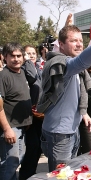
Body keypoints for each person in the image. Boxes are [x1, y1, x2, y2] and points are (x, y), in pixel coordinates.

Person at [37, 16, 91, 172]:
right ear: (61, 45)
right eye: (73, 41)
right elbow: (84, 60)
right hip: (60, 134)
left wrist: (82, 113)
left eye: (80, 40)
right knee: (60, 174)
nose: (79, 44)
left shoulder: (72, 63)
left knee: (69, 172)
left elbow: (84, 55)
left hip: (72, 130)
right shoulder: (61, 63)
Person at [0, 43, 33, 180]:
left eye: (19, 56)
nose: (16, 59)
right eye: (12, 56)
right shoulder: (3, 76)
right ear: (4, 57)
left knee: (15, 162)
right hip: (10, 128)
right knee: (9, 165)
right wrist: (7, 129)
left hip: (21, 128)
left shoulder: (22, 72)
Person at [18, 45, 44, 180]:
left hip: (39, 116)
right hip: (28, 117)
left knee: (37, 149)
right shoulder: (23, 70)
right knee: (31, 149)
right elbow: (36, 83)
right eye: (28, 54)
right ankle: (25, 175)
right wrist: (27, 62)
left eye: (33, 53)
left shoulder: (38, 68)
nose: (32, 55)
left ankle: (30, 174)